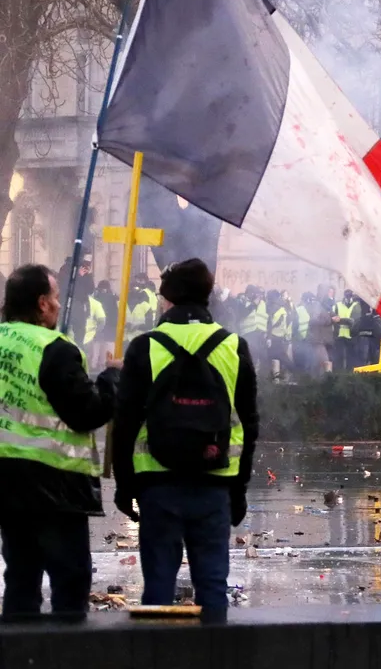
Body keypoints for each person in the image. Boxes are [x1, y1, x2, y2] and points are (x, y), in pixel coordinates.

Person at [111, 258, 259, 618]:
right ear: (208, 295)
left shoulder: (145, 346)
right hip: (215, 482)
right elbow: (250, 423)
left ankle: (157, 657)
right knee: (212, 585)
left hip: (158, 482)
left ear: (166, 299)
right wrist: (239, 488)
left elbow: (126, 421)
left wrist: (124, 484)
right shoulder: (233, 346)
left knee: (159, 585)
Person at [0, 265, 120, 620]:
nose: (57, 303)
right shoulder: (56, 349)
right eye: (53, 297)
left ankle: (19, 653)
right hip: (53, 483)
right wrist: (112, 376)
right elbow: (87, 413)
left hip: (5, 481)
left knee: (20, 576)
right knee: (70, 578)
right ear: (41, 304)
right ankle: (66, 653)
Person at [236, 286, 267, 371]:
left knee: (258, 353)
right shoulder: (241, 302)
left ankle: (256, 372)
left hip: (258, 331)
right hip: (247, 332)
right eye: (253, 293)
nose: (255, 295)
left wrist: (265, 332)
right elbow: (242, 314)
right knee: (249, 353)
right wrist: (253, 304)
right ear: (248, 293)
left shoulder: (262, 303)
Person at [266, 290, 292, 381]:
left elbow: (271, 324)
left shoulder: (274, 308)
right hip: (280, 337)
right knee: (277, 358)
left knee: (279, 357)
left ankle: (278, 379)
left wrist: (269, 337)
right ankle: (276, 379)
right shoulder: (283, 307)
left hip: (275, 337)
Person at [332, 290, 361, 372]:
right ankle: (338, 375)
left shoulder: (356, 306)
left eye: (349, 296)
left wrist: (340, 320)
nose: (348, 298)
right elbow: (332, 318)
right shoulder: (337, 305)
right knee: (339, 357)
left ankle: (349, 376)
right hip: (339, 335)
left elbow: (356, 321)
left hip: (351, 335)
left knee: (351, 358)